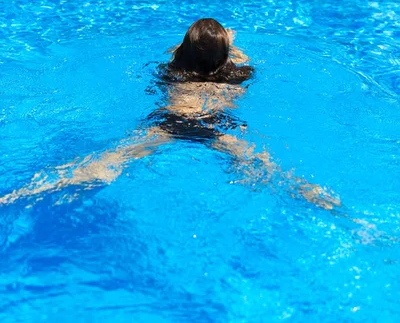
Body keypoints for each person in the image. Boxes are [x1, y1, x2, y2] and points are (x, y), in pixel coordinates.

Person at [0, 18, 339, 209]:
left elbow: (180, 51)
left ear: (185, 51)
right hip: (215, 124)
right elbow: (236, 56)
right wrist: (230, 43)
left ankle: (24, 194)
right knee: (264, 165)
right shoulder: (238, 74)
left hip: (172, 122)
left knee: (111, 159)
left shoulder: (173, 70)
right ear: (226, 57)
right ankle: (317, 199)